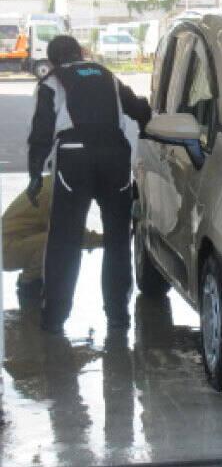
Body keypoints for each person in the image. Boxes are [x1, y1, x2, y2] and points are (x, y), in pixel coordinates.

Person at [27, 35, 151, 334]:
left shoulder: (52, 81)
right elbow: (140, 110)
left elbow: (41, 133)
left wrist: (34, 176)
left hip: (73, 161)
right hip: (115, 158)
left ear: (54, 59)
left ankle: (54, 318)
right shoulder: (108, 76)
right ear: (81, 52)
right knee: (118, 241)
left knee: (64, 242)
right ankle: (118, 317)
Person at [2, 173, 104, 303]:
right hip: (6, 251)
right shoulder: (58, 193)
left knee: (58, 242)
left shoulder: (57, 182)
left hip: (11, 245)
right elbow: (71, 234)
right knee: (54, 241)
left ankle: (33, 287)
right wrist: (110, 240)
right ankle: (29, 286)